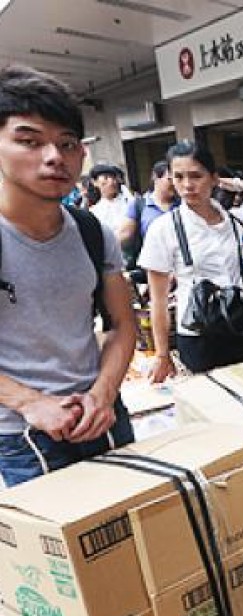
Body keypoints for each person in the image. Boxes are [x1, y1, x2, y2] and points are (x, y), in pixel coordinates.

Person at [0, 65, 136, 485]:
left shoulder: (94, 233)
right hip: (23, 435)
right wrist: (30, 402)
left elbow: (122, 325)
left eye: (67, 143)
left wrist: (103, 393)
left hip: (102, 415)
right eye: (29, 141)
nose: (54, 156)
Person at [138, 141, 243, 381]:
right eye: (178, 177)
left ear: (213, 178)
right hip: (200, 334)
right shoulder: (163, 229)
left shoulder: (235, 220)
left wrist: (237, 184)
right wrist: (162, 355)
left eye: (196, 176)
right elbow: (158, 301)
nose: (187, 185)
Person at [122, 160, 179, 249]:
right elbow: (124, 235)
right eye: (169, 179)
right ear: (156, 177)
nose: (174, 184)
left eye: (177, 179)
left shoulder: (183, 204)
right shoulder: (139, 205)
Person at [89, 162, 136, 265]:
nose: (111, 182)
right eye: (106, 178)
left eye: (113, 178)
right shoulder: (94, 212)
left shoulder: (130, 203)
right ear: (95, 182)